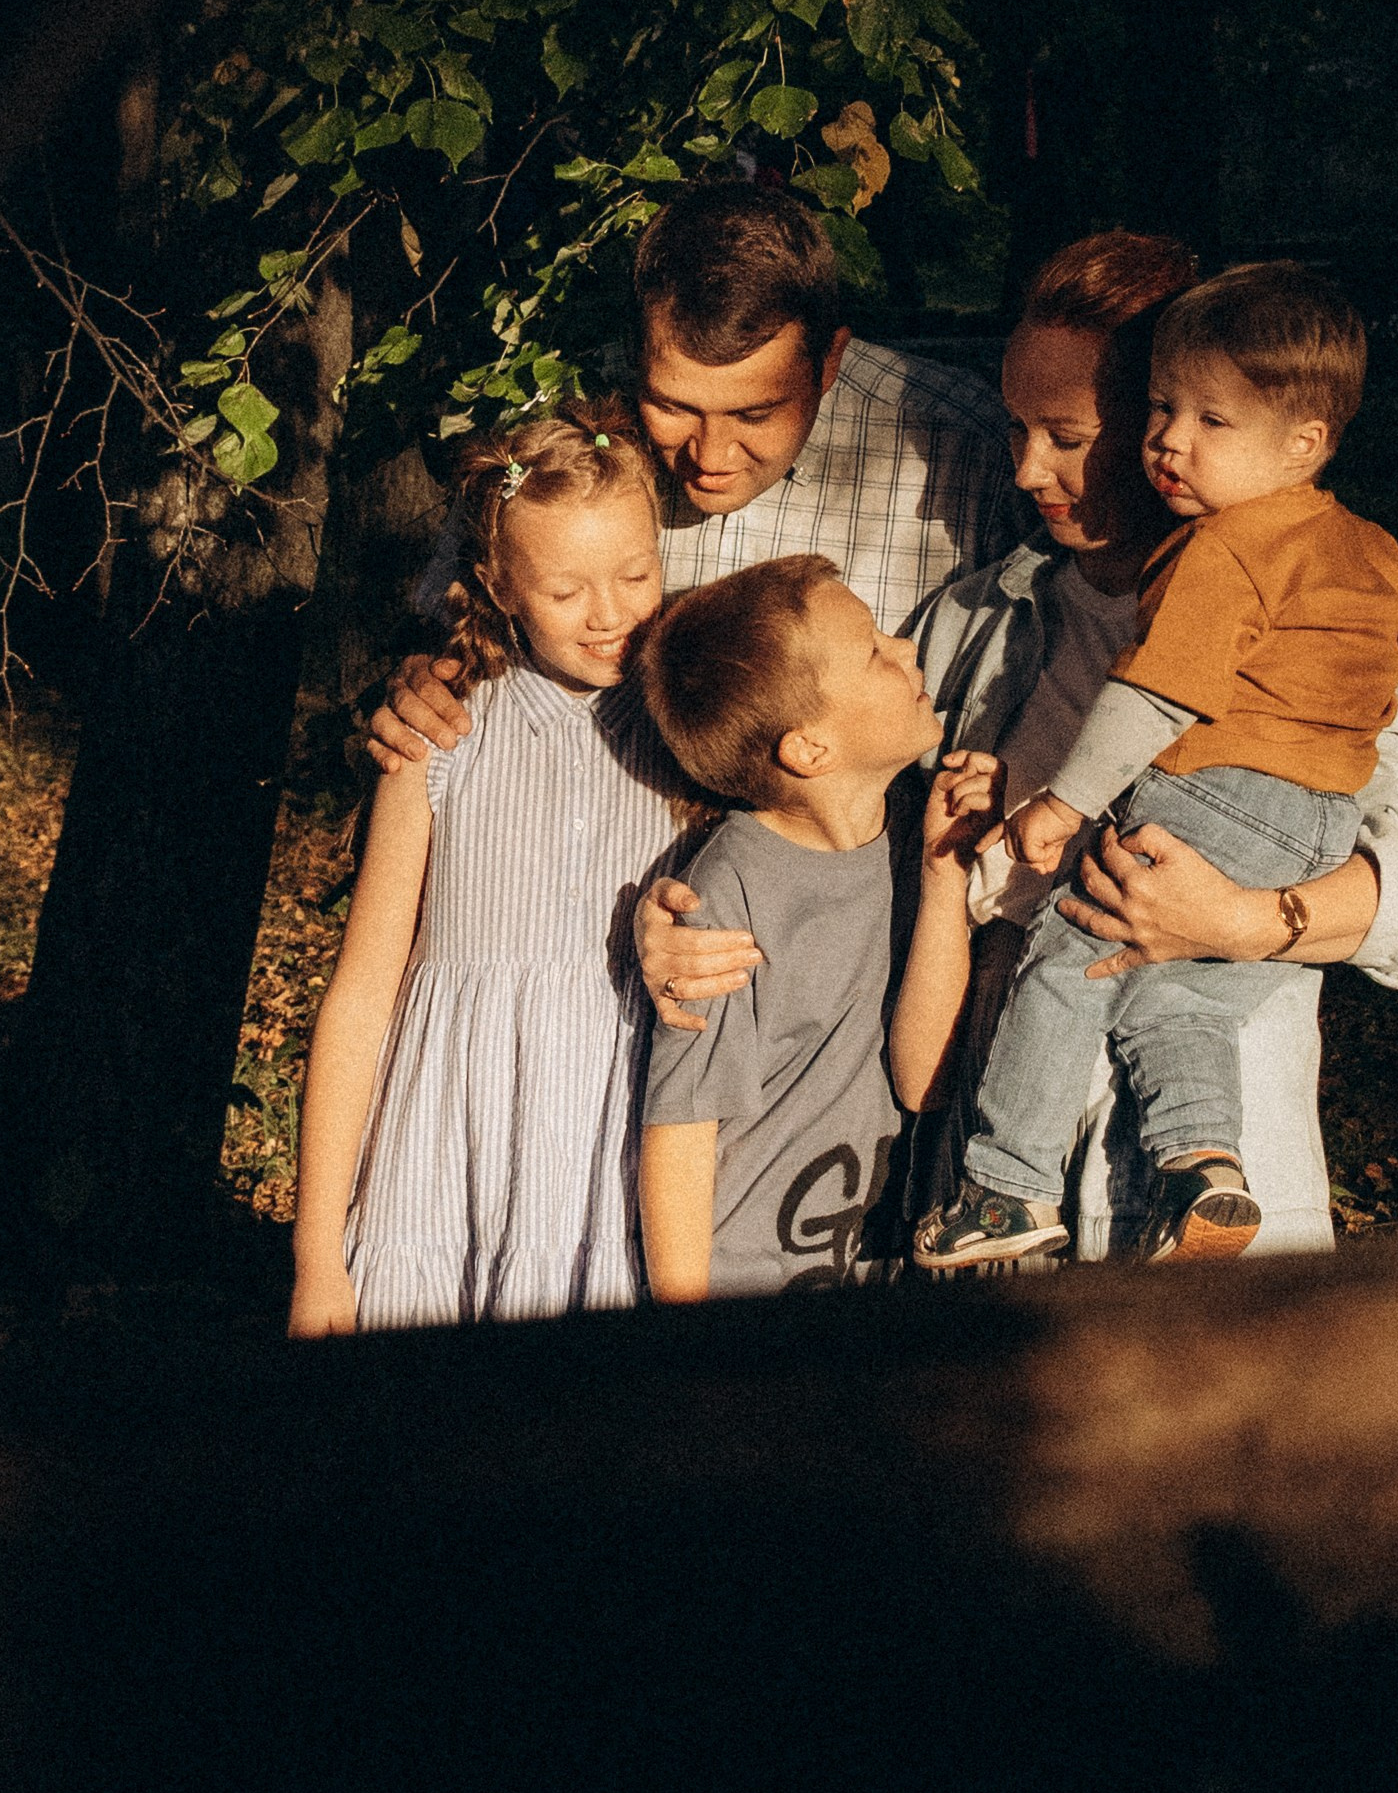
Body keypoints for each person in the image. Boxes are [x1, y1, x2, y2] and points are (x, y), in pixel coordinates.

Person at [894, 232, 1398, 1266]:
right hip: (995, 1205)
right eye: (1019, 430)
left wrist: (1247, 921)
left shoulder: (1306, 628)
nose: (1028, 469)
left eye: (1065, 435)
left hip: (1198, 1206)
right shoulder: (974, 625)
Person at [368, 176, 1026, 772]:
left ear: (830, 362)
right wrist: (420, 684)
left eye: (756, 413)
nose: (710, 458)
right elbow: (443, 639)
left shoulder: (965, 454)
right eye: (673, 406)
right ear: (635, 357)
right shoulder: (563, 433)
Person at [286, 403, 690, 1336]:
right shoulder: (444, 730)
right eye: (564, 591)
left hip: (605, 1167)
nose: (610, 615)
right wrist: (317, 1257)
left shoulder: (688, 736)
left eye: (637, 573)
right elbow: (360, 996)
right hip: (441, 1163)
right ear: (502, 587)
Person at [629, 555, 968, 1299]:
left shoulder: (921, 834)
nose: (908, 650)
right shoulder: (727, 893)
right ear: (809, 747)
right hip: (752, 1286)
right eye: (876, 650)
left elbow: (925, 1084)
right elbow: (682, 1131)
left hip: (879, 1258)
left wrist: (946, 876)